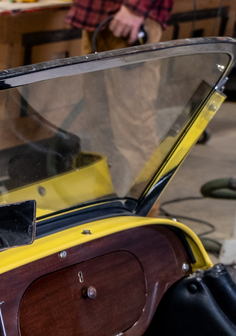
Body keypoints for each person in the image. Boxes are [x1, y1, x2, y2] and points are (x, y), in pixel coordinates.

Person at [66, 0, 172, 201]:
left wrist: (136, 7)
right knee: (100, 126)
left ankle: (144, 222)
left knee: (135, 133)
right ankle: (108, 210)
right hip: (97, 19)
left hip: (129, 20)